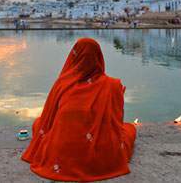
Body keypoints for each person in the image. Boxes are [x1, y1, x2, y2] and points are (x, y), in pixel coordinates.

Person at [22, 38, 136, 182]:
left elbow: (49, 119)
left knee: (39, 123)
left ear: (73, 56)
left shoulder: (62, 84)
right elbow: (116, 122)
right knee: (129, 129)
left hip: (59, 152)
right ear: (99, 57)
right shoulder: (113, 85)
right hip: (103, 155)